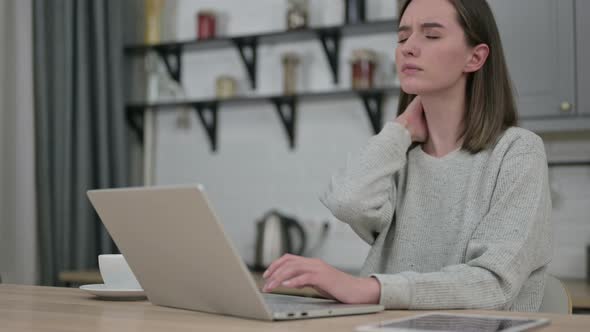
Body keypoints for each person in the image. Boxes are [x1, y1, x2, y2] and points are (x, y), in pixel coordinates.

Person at [262, 0, 552, 312]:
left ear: (475, 57)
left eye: (431, 35)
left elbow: (494, 283)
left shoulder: (518, 152)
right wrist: (399, 130)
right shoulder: (398, 158)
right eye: (402, 37)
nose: (408, 48)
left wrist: (371, 288)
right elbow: (347, 201)